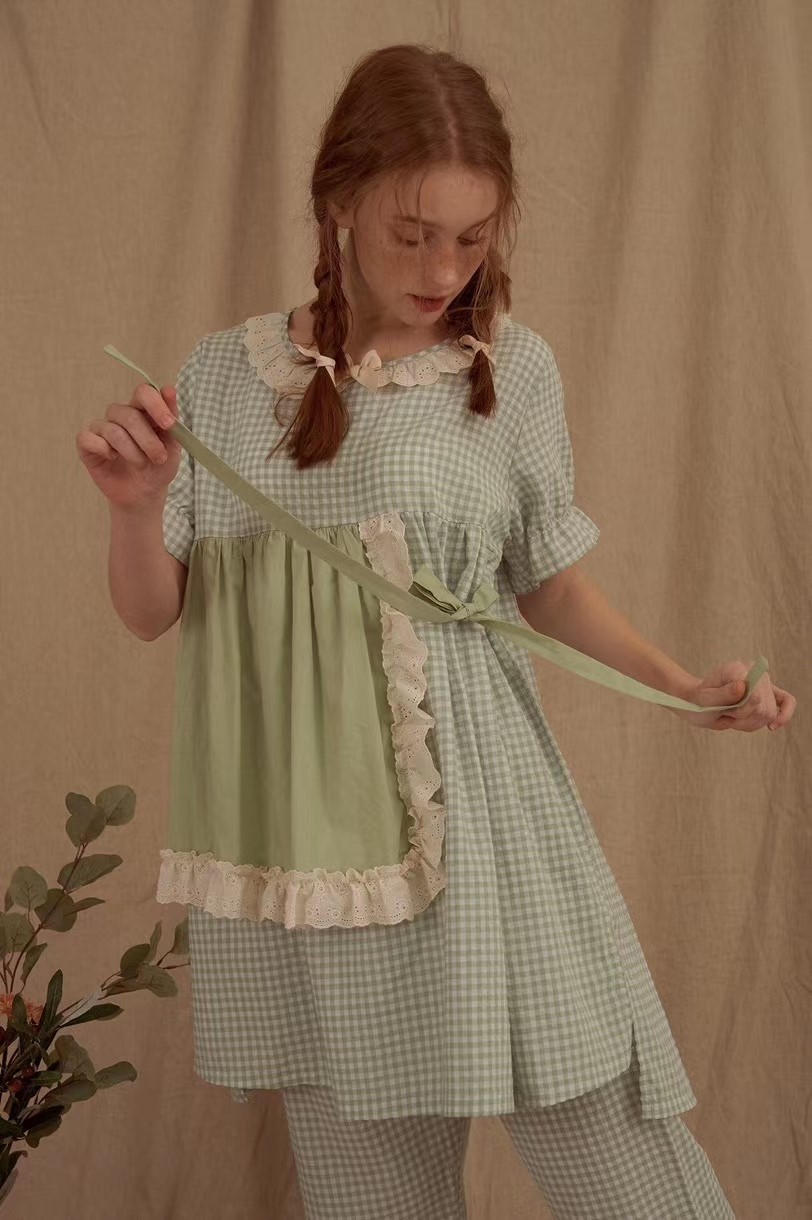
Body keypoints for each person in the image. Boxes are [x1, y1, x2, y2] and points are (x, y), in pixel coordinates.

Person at [79, 42, 739, 1220]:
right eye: (412, 233)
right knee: (372, 1197)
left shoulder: (508, 368)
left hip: (482, 815)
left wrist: (682, 684)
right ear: (339, 204)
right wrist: (136, 506)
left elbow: (549, 587)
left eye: (471, 237)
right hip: (307, 846)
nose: (443, 269)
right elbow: (153, 611)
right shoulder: (224, 376)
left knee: (622, 1163)